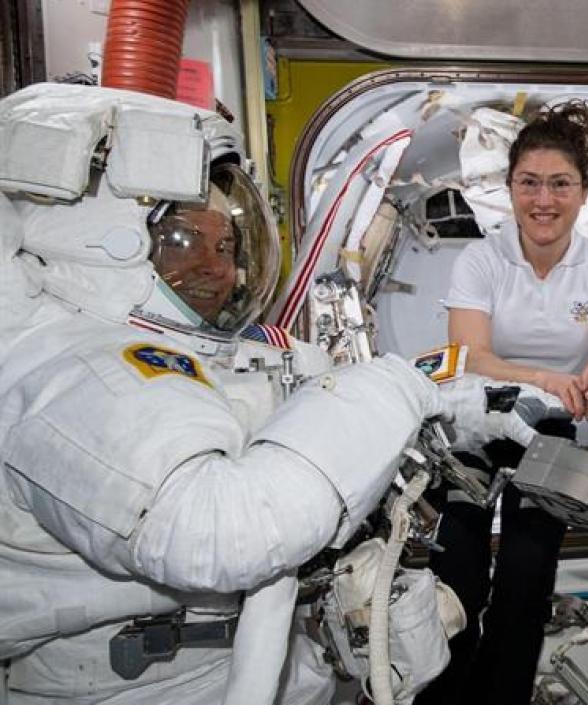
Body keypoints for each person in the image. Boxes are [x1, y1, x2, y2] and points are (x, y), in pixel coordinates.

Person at [0, 82, 543, 705]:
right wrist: (403, 386)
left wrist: (456, 410)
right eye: (182, 240)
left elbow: (313, 440)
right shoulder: (66, 372)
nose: (219, 268)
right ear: (99, 241)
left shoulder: (217, 360)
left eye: (226, 244)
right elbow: (221, 533)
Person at [421, 100, 588, 705]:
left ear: (584, 191)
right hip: (474, 420)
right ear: (511, 187)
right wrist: (548, 376)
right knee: (457, 578)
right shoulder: (481, 259)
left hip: (548, 433)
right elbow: (469, 356)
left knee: (526, 574)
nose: (544, 200)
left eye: (560, 184)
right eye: (530, 183)